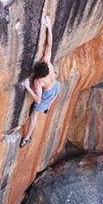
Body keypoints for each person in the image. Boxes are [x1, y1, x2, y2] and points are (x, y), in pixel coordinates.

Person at [20, 15, 60, 148]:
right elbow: (50, 43)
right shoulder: (48, 63)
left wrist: (27, 87)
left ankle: (27, 137)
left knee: (34, 115)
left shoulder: (38, 82)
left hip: (47, 93)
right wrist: (49, 27)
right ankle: (48, 107)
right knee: (54, 95)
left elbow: (37, 99)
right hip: (56, 86)